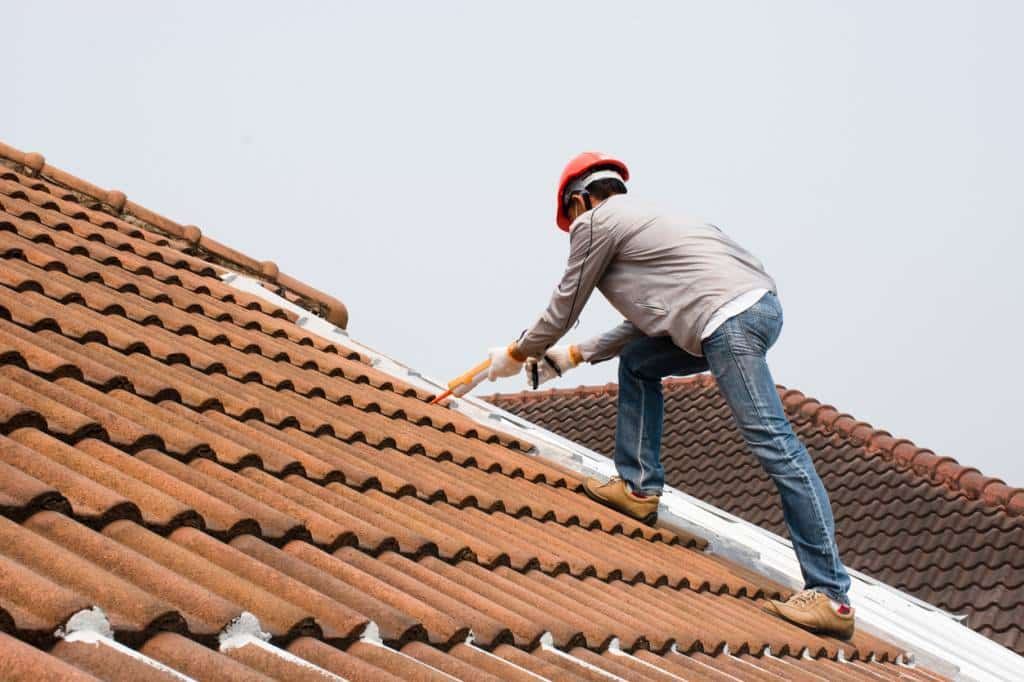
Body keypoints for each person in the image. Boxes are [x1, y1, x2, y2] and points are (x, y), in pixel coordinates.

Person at [469, 152, 855, 639]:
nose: (574, 233)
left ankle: (830, 596)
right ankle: (638, 487)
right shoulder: (652, 222)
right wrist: (572, 357)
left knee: (775, 444)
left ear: (582, 199)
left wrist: (516, 351)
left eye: (573, 219)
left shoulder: (596, 224)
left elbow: (564, 306)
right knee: (639, 362)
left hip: (725, 321)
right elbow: (646, 324)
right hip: (749, 309)